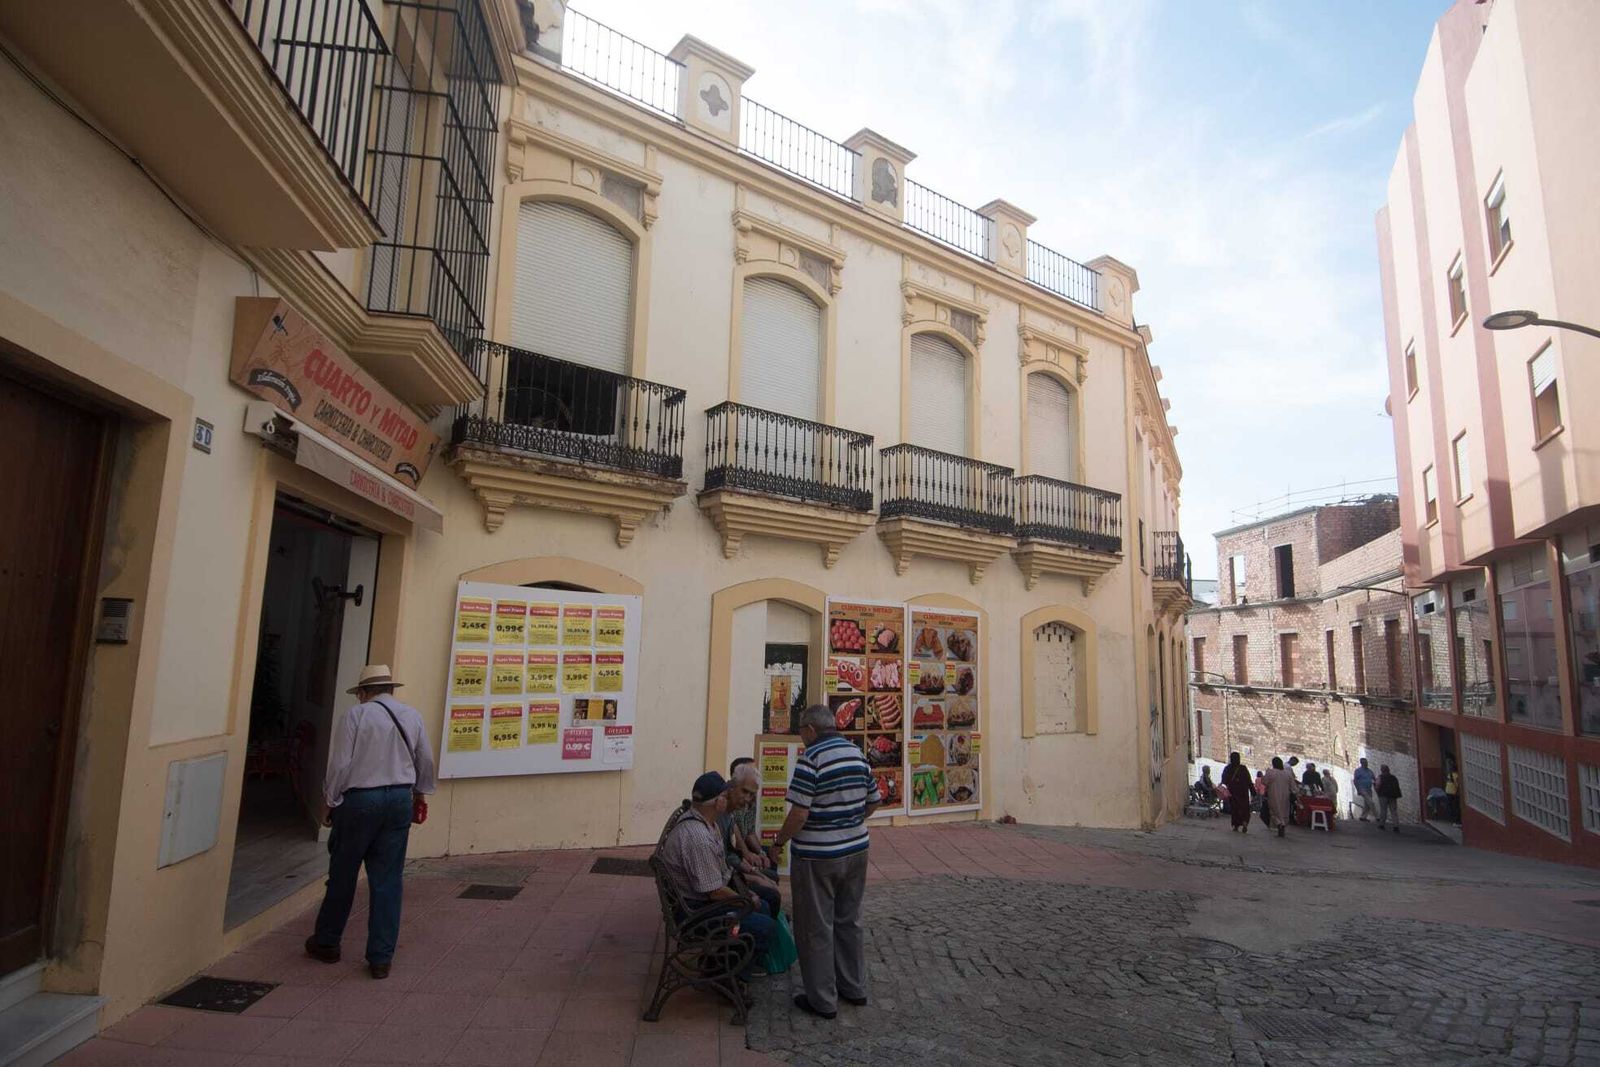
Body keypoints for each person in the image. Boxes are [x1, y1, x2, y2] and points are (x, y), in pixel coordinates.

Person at [305, 665, 436, 980]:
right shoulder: (411, 715)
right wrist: (420, 793)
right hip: (399, 801)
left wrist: (330, 800)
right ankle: (381, 957)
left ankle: (328, 941)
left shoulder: (356, 716)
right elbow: (425, 760)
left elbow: (339, 765)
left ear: (363, 692)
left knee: (343, 874)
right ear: (390, 689)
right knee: (388, 880)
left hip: (361, 800)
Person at [767, 704, 878, 1020]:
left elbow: (799, 813)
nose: (801, 739)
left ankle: (822, 999)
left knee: (815, 926)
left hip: (818, 857)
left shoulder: (811, 758)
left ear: (810, 730)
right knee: (849, 920)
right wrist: (849, 822)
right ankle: (854, 987)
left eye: (802, 732)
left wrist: (778, 843)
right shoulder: (857, 753)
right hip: (857, 850)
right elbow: (874, 802)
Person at [658, 770, 775, 979]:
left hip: (695, 901)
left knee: (763, 907)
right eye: (725, 795)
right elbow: (714, 892)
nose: (728, 798)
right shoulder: (698, 836)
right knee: (762, 925)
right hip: (692, 913)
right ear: (718, 800)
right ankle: (725, 977)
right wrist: (746, 898)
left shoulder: (706, 822)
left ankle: (722, 964)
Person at [721, 762, 781, 918]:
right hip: (721, 885)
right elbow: (724, 864)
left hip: (729, 874)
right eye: (745, 792)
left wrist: (757, 874)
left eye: (752, 794)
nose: (748, 799)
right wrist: (752, 881)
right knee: (769, 900)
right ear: (732, 786)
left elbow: (736, 844)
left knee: (770, 881)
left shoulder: (731, 810)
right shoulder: (719, 812)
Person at [1219, 753, 1253, 833]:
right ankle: (1244, 823)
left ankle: (1236, 825)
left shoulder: (1228, 768)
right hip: (1243, 792)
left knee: (1235, 809)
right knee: (1244, 808)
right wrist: (1253, 791)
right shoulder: (1243, 768)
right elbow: (1249, 780)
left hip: (1233, 791)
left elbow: (1224, 780)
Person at [1262, 757, 1295, 838]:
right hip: (1285, 795)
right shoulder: (1287, 774)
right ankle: (1283, 824)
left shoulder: (1271, 772)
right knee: (1284, 811)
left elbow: (1264, 782)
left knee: (1274, 811)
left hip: (1273, 794)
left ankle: (1279, 824)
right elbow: (1293, 786)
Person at [1376, 764, 1403, 832]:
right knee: (1394, 811)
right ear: (1388, 770)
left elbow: (1377, 785)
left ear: (1381, 770)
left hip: (1383, 796)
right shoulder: (1393, 777)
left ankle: (1382, 825)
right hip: (1392, 796)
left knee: (1383, 810)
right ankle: (1396, 826)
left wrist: (1378, 792)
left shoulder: (1380, 777)